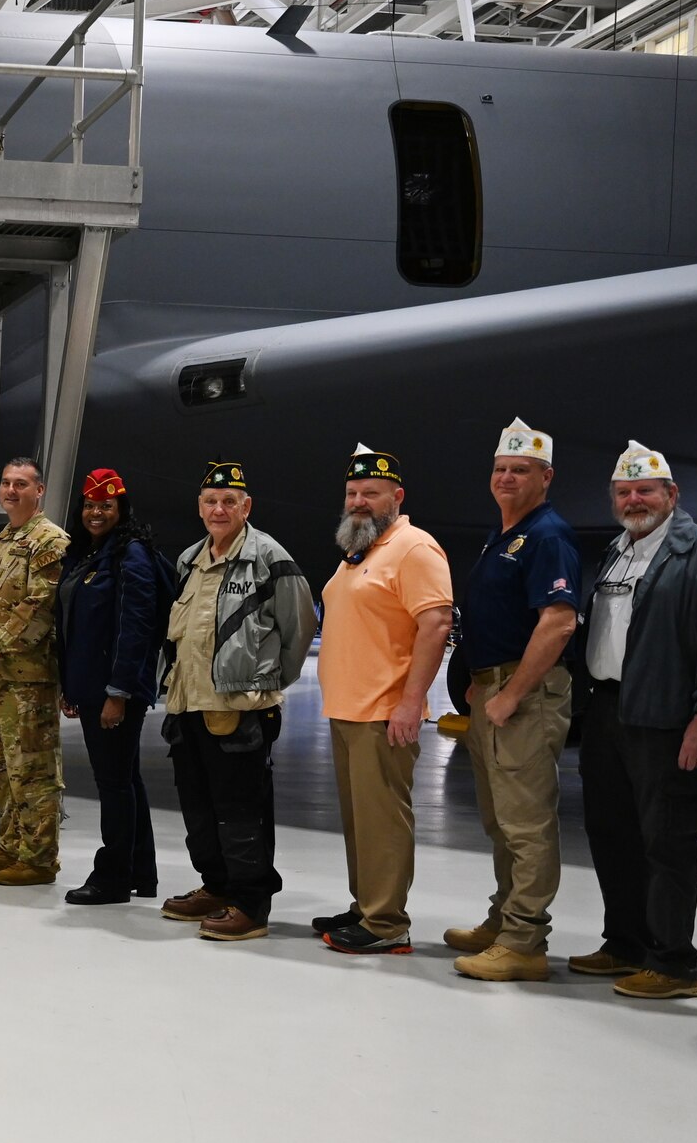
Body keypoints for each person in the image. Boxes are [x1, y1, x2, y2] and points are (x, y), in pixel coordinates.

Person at [575, 441, 697, 1000]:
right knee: (612, 834)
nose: (634, 499)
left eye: (645, 490)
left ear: (671, 494)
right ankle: (625, 943)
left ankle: (675, 962)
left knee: (667, 841)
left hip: (666, 718)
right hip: (609, 711)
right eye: (624, 492)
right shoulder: (618, 549)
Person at [446, 418, 581, 982]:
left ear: (545, 478)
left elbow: (558, 622)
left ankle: (525, 941)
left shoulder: (547, 535)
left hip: (523, 696)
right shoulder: (504, 534)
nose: (506, 478)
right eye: (500, 469)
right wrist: (481, 684)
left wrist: (512, 692)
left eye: (520, 470)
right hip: (493, 688)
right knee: (500, 819)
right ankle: (504, 919)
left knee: (526, 822)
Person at [158, 462, 316, 940]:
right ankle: (217, 885)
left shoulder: (268, 558)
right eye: (211, 501)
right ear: (200, 507)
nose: (219, 509)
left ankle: (250, 903)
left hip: (240, 711)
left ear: (247, 507)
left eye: (230, 501)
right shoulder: (190, 560)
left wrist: (263, 685)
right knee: (199, 809)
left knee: (241, 810)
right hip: (188, 706)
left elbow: (299, 628)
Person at [314, 445, 453, 954]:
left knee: (383, 818)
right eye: (352, 493)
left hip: (382, 709)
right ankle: (366, 905)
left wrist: (411, 702)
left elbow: (435, 623)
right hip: (347, 708)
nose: (358, 501)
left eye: (370, 493)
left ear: (396, 497)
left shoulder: (414, 547)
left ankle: (387, 922)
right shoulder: (360, 552)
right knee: (360, 819)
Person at [55, 467, 175, 906]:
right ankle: (141, 872)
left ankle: (112, 878)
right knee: (125, 779)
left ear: (122, 509)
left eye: (106, 505)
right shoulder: (90, 553)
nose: (96, 512)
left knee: (113, 783)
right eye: (89, 504)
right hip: (91, 687)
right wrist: (72, 685)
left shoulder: (131, 555)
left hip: (114, 692)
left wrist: (118, 693)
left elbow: (136, 625)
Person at [0, 457, 71, 887]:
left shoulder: (49, 542)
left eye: (21, 484)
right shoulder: (1, 541)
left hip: (29, 678)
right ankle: (11, 844)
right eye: (6, 483)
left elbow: (40, 606)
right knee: (0, 769)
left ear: (38, 491)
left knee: (33, 770)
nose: (11, 490)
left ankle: (40, 858)